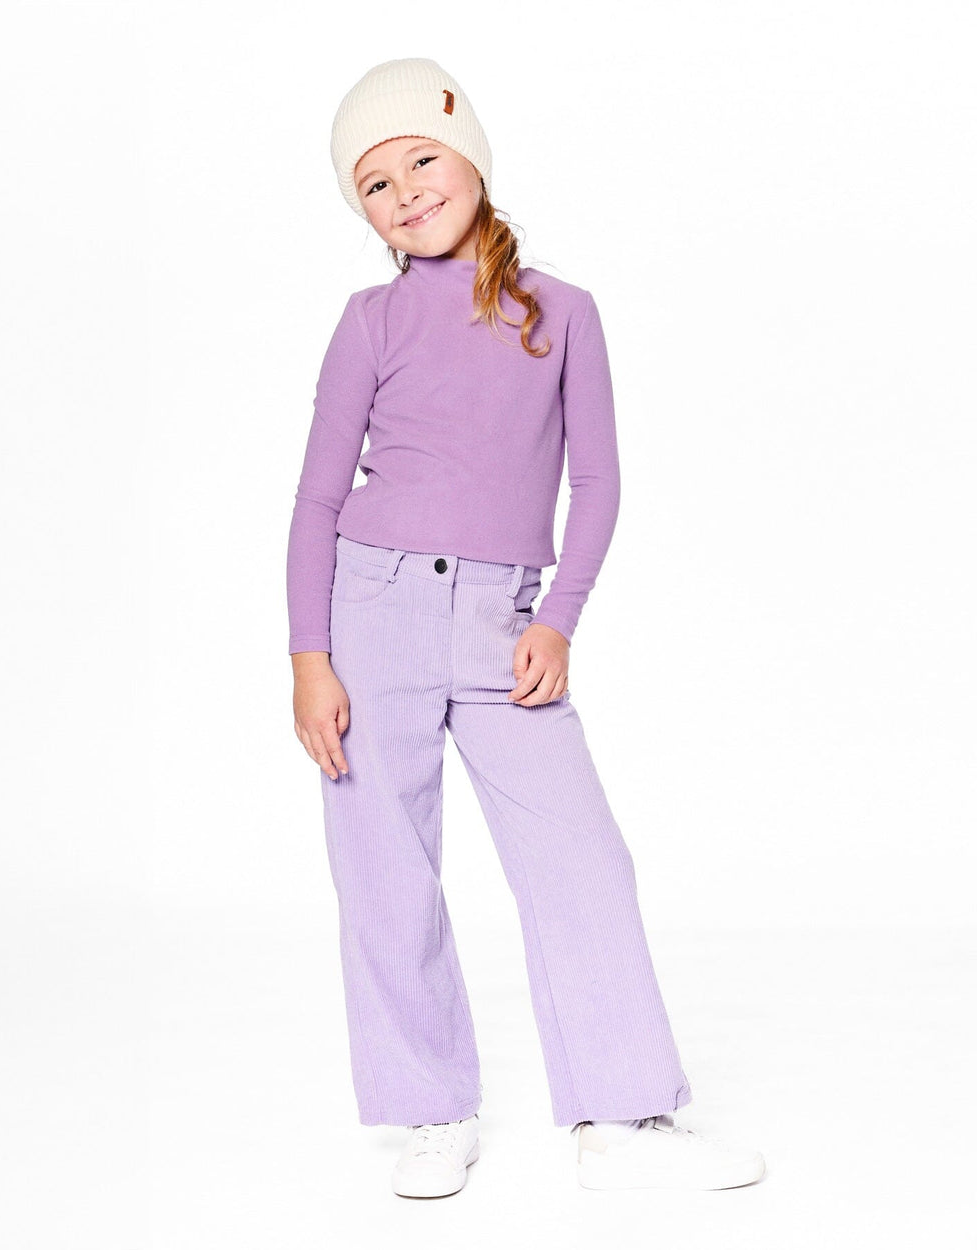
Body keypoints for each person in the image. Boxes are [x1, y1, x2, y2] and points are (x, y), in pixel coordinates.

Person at [286, 57, 765, 1198]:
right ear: (362, 213)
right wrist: (309, 656)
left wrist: (559, 617)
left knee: (581, 857)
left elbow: (596, 483)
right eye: (375, 183)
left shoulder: (563, 312)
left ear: (471, 157)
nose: (405, 190)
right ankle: (428, 1108)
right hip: (373, 612)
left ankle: (621, 1115)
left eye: (422, 158)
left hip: (504, 623)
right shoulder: (368, 321)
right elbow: (315, 498)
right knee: (385, 868)